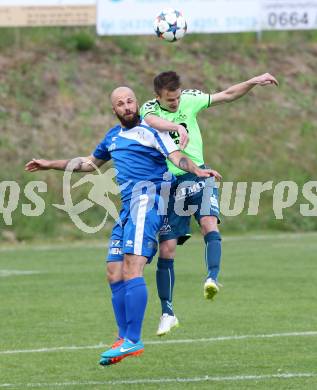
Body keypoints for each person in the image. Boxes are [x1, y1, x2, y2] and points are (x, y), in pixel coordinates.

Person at [25, 86, 221, 366]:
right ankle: (122, 338)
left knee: (132, 266)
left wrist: (197, 170)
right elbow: (89, 163)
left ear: (137, 103)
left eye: (130, 101)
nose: (127, 106)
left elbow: (176, 156)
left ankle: (133, 340)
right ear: (114, 109)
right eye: (121, 103)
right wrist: (50, 164)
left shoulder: (153, 132)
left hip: (148, 201)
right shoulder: (112, 137)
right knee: (113, 271)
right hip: (127, 207)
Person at [140, 71, 278, 336]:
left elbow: (226, 95)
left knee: (209, 223)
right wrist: (176, 127)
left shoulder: (190, 99)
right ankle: (167, 312)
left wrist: (251, 82)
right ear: (158, 97)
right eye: (170, 100)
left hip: (199, 174)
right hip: (169, 183)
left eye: (178, 97)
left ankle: (211, 278)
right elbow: (152, 121)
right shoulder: (148, 108)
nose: (176, 103)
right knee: (167, 249)